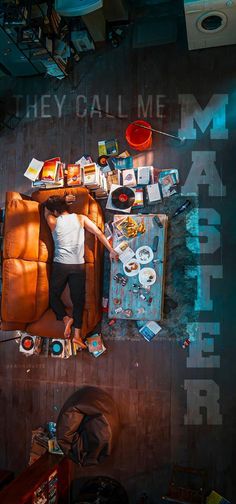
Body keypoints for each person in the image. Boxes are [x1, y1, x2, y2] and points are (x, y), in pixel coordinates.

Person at [44, 194, 118, 349]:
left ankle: (65, 319)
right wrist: (111, 250)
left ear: (55, 212)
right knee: (78, 300)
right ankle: (77, 335)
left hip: (61, 265)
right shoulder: (80, 218)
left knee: (52, 296)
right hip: (78, 265)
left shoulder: (53, 221)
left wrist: (61, 202)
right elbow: (98, 233)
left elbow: (46, 210)